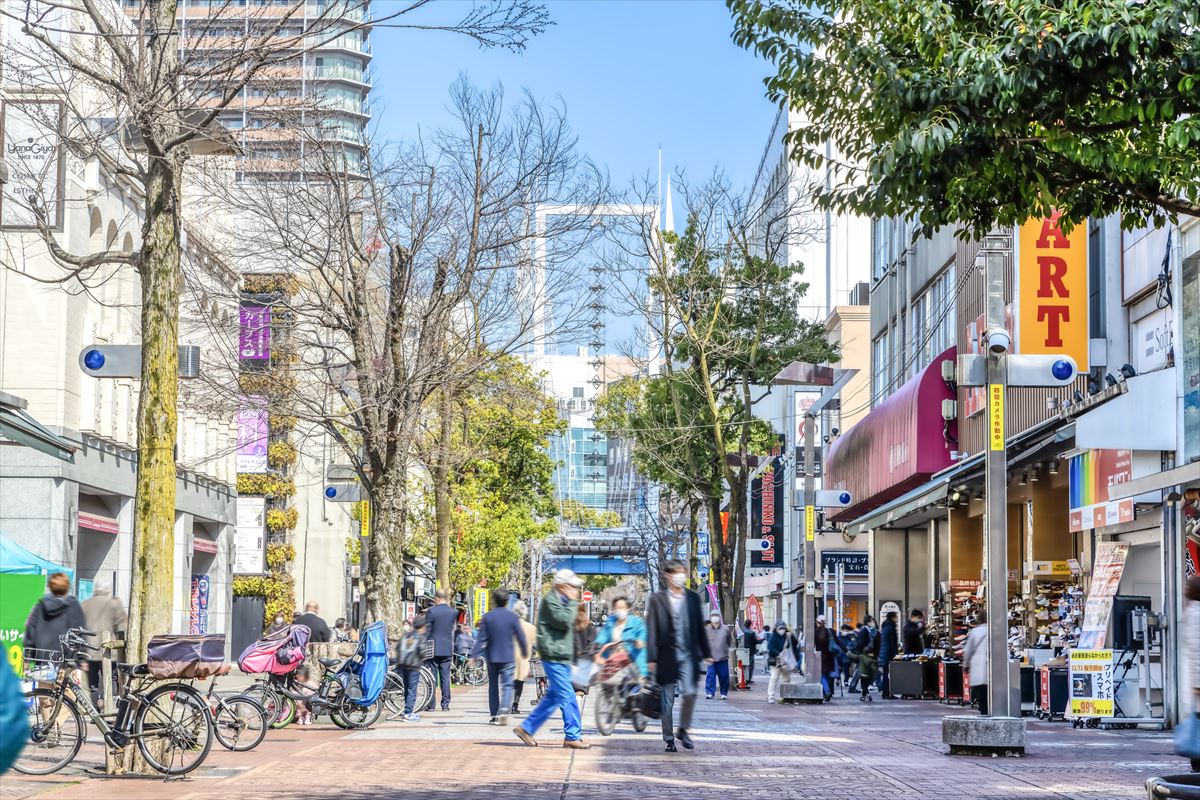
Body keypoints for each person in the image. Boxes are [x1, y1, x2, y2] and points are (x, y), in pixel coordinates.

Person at [514, 569, 589, 749]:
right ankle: (572, 736)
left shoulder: (562, 601)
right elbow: (563, 621)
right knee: (568, 696)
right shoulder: (551, 600)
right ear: (562, 586)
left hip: (561, 656)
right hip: (553, 656)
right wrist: (573, 603)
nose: (576, 591)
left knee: (554, 697)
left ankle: (526, 728)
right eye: (573, 587)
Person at [646, 560, 711, 752]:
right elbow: (651, 629)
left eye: (682, 572)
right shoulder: (657, 599)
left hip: (688, 655)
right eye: (676, 572)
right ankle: (668, 738)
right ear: (667, 575)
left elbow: (699, 627)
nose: (680, 576)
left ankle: (683, 729)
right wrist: (651, 658)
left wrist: (706, 652)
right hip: (666, 656)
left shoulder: (692, 598)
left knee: (690, 692)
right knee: (667, 701)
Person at [471, 588, 528, 726]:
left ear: (494, 600)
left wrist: (474, 655)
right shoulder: (513, 617)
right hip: (508, 656)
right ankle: (503, 710)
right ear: (507, 601)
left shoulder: (488, 617)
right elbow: (521, 637)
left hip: (492, 656)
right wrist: (525, 652)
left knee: (493, 686)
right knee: (508, 685)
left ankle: (494, 715)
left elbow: (481, 639)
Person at [80, 580, 126, 705]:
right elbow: (122, 626)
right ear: (107, 590)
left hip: (89, 649)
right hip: (109, 649)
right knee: (110, 678)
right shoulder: (114, 604)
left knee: (92, 683)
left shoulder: (84, 604)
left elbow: (80, 628)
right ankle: (108, 705)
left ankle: (96, 708)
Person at [24, 573, 86, 658]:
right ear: (67, 587)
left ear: (50, 586)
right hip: (66, 659)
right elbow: (80, 631)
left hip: (42, 657)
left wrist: (28, 655)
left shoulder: (40, 605)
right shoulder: (73, 605)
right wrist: (82, 658)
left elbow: (30, 632)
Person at [594, 596, 647, 678]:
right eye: (617, 608)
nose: (619, 610)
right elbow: (602, 636)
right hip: (614, 663)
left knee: (635, 688)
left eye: (622, 607)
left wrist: (639, 641)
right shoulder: (610, 622)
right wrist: (597, 647)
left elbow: (642, 634)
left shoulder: (637, 622)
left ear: (628, 609)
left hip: (632, 663)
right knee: (607, 685)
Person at [426, 589, 458, 711]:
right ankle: (445, 705)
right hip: (447, 648)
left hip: (433, 648)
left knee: (432, 677)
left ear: (437, 598)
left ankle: (431, 705)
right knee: (445, 677)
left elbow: (428, 630)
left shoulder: (431, 611)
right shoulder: (453, 612)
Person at [395, 614, 428, 722]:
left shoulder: (405, 636)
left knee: (406, 689)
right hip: (414, 666)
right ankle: (408, 713)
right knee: (412, 690)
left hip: (402, 665)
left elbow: (398, 648)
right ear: (422, 626)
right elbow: (423, 652)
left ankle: (407, 711)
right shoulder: (420, 637)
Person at [510, 600, 539, 714]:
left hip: (510, 658)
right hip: (523, 660)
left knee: (509, 683)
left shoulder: (510, 627)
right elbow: (536, 645)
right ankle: (515, 705)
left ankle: (505, 705)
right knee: (519, 684)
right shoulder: (531, 627)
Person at [962, 608, 989, 715]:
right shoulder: (994, 630)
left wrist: (966, 664)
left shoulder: (975, 632)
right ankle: (990, 707)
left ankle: (982, 708)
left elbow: (968, 650)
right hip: (991, 663)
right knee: (990, 688)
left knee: (980, 689)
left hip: (977, 663)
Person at [766, 621, 798, 704]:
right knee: (774, 678)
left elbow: (795, 645)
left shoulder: (788, 636)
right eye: (780, 628)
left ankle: (786, 697)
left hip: (786, 661)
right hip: (776, 661)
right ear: (776, 629)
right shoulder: (773, 637)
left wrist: (792, 637)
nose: (782, 630)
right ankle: (770, 696)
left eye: (783, 628)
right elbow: (770, 648)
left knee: (786, 679)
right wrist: (778, 654)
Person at [703, 611, 733, 700]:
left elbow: (729, 640)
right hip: (710, 657)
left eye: (716, 616)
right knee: (710, 675)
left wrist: (728, 649)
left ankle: (723, 692)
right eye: (713, 616)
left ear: (720, 617)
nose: (715, 617)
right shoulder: (707, 629)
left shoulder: (725, 629)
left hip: (722, 657)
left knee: (724, 676)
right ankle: (709, 692)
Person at [813, 615, 838, 701]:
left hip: (820, 656)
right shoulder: (829, 631)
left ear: (818, 622)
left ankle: (827, 691)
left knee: (821, 675)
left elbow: (812, 645)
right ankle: (828, 692)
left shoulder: (816, 632)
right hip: (830, 656)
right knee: (827, 675)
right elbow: (837, 642)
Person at [855, 616, 879, 702]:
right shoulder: (864, 631)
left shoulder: (869, 630)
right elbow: (860, 643)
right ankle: (865, 693)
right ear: (868, 622)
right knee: (864, 675)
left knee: (866, 675)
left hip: (869, 655)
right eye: (872, 621)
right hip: (865, 656)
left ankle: (865, 693)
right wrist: (865, 652)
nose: (873, 623)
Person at [879, 611, 899, 699]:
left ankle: (885, 693)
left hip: (884, 653)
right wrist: (896, 654)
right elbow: (892, 643)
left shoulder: (885, 627)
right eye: (896, 617)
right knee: (888, 674)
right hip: (889, 653)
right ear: (892, 617)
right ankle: (888, 693)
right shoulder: (891, 627)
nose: (897, 618)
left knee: (885, 674)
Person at [740, 618, 760, 686]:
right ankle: (748, 679)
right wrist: (761, 639)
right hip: (750, 651)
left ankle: (742, 679)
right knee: (750, 666)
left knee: (742, 665)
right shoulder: (752, 632)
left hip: (742, 650)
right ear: (750, 624)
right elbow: (755, 641)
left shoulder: (741, 631)